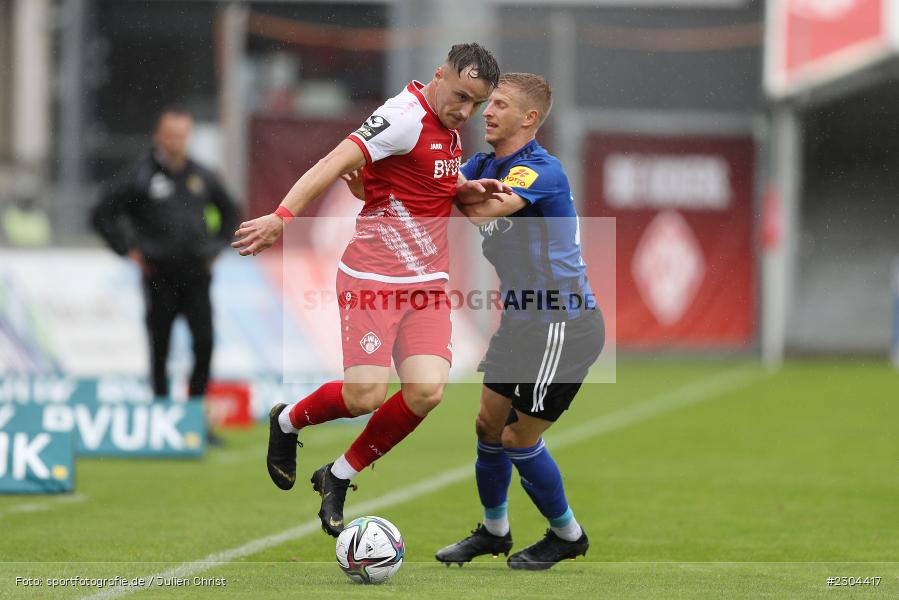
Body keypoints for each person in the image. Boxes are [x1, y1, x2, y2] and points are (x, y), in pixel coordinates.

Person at [233, 43, 507, 537]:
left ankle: (337, 475)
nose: (465, 111)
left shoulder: (449, 130)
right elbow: (333, 163)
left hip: (427, 284)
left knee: (426, 392)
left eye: (477, 104)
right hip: (373, 280)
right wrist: (282, 218)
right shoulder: (402, 116)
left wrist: (465, 190)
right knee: (365, 396)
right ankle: (288, 423)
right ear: (438, 74)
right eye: (461, 96)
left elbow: (416, 186)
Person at [434, 73, 605, 570]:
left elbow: (486, 209)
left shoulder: (540, 170)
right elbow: (441, 187)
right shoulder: (484, 163)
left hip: (562, 324)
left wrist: (456, 194)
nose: (486, 111)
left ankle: (567, 534)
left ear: (529, 118)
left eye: (500, 105)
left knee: (517, 438)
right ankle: (494, 531)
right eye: (487, 103)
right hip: (521, 318)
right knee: (488, 425)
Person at [91, 107, 240, 426]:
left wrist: (215, 248)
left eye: (183, 135)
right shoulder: (140, 176)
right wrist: (128, 249)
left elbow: (231, 211)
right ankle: (159, 420)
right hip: (158, 275)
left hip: (197, 275)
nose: (177, 142)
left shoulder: (202, 175)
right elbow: (103, 213)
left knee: (204, 342)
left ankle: (195, 419)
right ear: (159, 136)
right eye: (171, 135)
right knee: (160, 346)